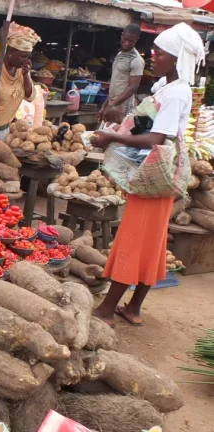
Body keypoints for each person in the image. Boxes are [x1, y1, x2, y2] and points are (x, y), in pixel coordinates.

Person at [90, 22, 204, 327]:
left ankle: (106, 310)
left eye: (161, 53)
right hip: (158, 177)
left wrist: (112, 138)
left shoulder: (177, 93)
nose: (153, 56)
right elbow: (149, 128)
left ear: (177, 59)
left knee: (134, 239)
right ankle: (133, 308)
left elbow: (155, 140)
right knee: (152, 242)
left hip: (156, 177)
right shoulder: (167, 88)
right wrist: (121, 124)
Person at [99, 24, 144, 120]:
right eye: (125, 39)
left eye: (131, 41)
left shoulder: (137, 60)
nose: (126, 43)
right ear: (122, 35)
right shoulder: (119, 55)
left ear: (136, 40)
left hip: (123, 108)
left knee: (116, 132)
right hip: (112, 104)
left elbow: (133, 88)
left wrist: (112, 104)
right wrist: (104, 106)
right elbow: (115, 85)